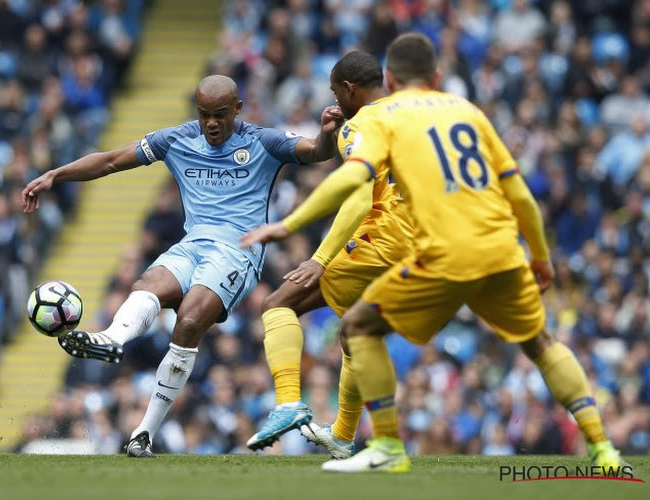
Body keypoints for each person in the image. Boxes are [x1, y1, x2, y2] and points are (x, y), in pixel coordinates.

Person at [242, 33, 628, 474]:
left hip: (437, 249)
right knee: (542, 343)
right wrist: (540, 256)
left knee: (358, 330)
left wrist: (289, 226)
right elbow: (519, 193)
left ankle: (383, 444)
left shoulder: (378, 118)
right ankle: (603, 449)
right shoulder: (468, 112)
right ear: (437, 77)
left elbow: (356, 185)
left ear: (389, 78)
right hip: (500, 245)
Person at [21, 75, 343, 458]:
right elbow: (109, 161)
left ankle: (144, 430)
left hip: (238, 252)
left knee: (188, 321)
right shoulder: (176, 139)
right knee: (148, 283)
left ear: (237, 110)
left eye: (220, 115)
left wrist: (326, 134)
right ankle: (111, 339)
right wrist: (56, 175)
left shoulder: (263, 141)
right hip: (191, 246)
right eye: (204, 114)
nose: (210, 123)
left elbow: (315, 152)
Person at [245, 51, 413, 458]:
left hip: (384, 239)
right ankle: (341, 435)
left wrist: (319, 258)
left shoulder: (358, 126)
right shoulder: (406, 113)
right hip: (424, 242)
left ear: (350, 89)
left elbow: (358, 196)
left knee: (278, 303)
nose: (336, 100)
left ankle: (287, 402)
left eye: (337, 91)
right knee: (354, 332)